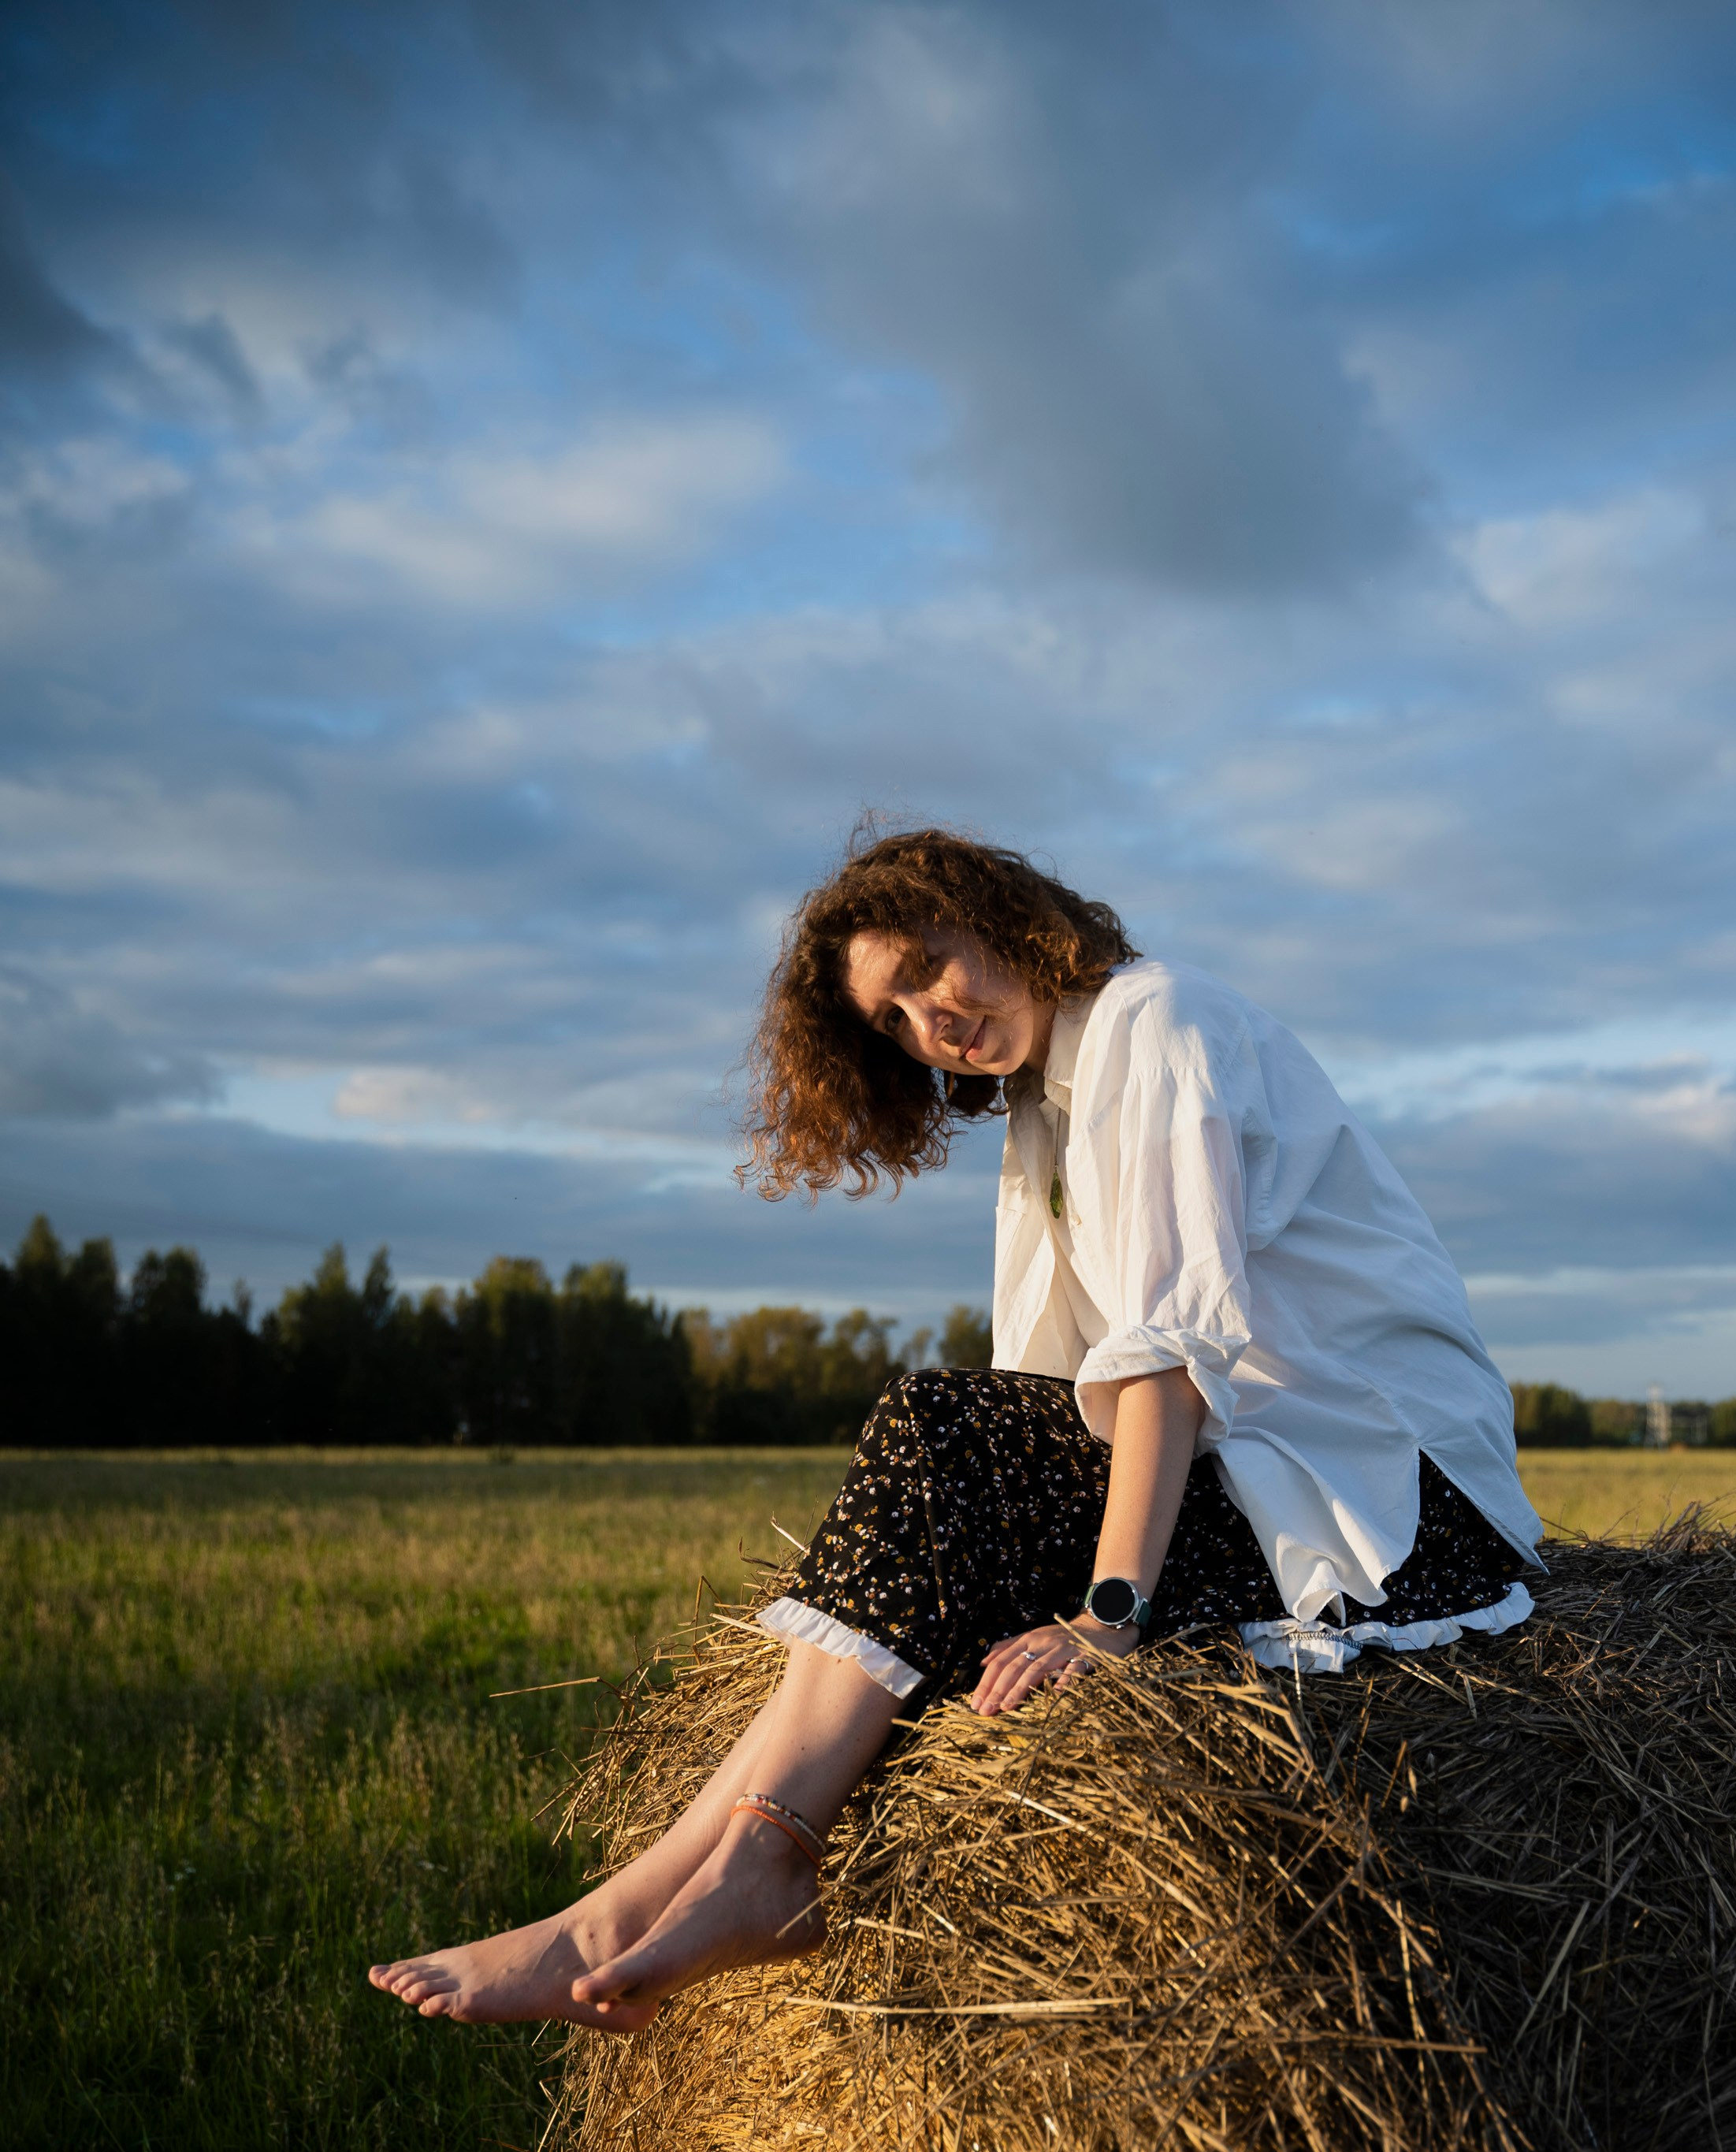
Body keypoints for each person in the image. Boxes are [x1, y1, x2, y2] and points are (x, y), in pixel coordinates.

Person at [370, 827, 1542, 2035]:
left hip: (1394, 1507)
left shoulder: (1155, 1020)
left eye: (933, 964)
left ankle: (698, 1884)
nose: (935, 1018)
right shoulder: (1044, 1114)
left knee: (934, 1426)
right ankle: (657, 1894)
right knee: (929, 1510)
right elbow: (1047, 1398)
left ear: (999, 915)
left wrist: (1110, 1613)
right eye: (893, 1020)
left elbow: (1165, 1358)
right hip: (1264, 1479)